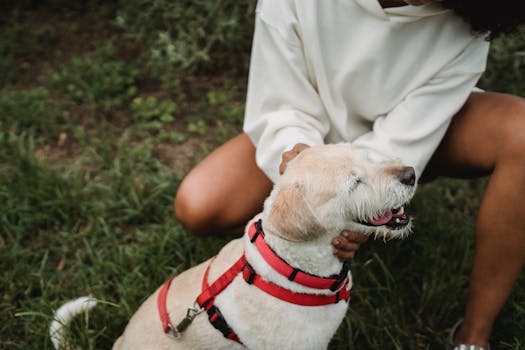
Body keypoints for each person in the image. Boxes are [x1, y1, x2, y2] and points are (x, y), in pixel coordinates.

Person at [174, 0, 525, 348]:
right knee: (199, 204)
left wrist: (365, 197)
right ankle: (312, 234)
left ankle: (473, 335)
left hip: (417, 140)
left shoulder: (469, 16)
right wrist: (306, 163)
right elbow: (283, 103)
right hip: (310, 142)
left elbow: (408, 135)